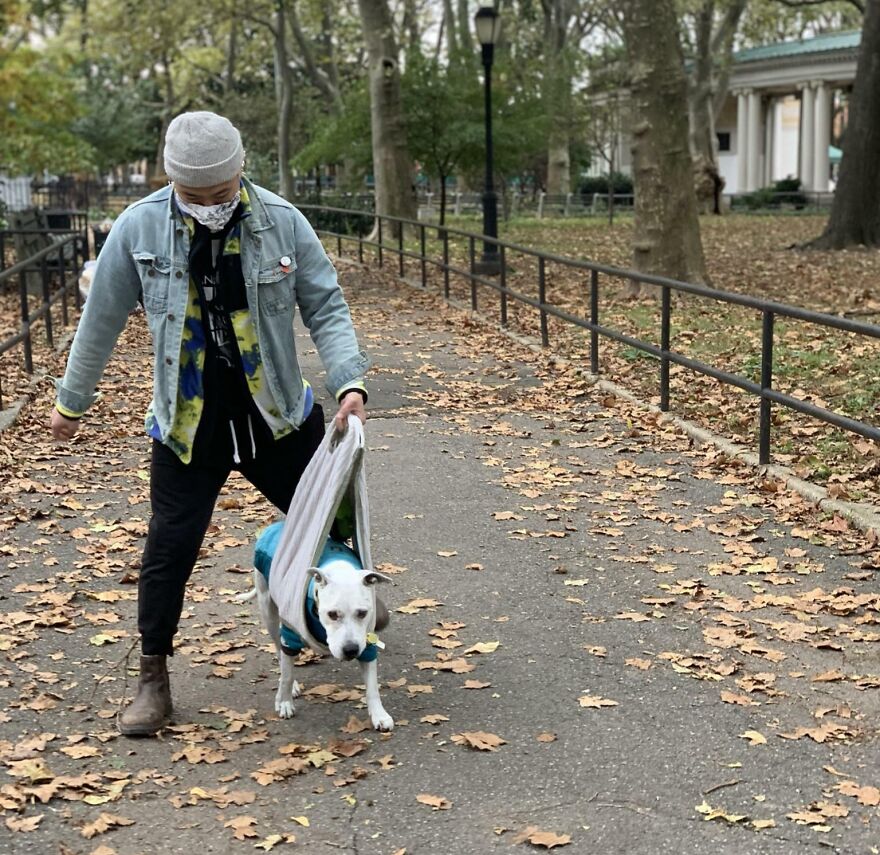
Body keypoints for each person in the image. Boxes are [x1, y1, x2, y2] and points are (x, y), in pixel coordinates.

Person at [50, 111, 370, 736]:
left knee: (333, 525)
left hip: (276, 415)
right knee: (169, 546)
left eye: (220, 194)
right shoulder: (138, 226)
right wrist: (71, 401)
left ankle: (349, 618)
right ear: (170, 180)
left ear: (241, 171)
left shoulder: (282, 221)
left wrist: (348, 381)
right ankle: (152, 677)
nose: (207, 206)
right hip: (187, 424)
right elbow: (101, 320)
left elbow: (325, 303)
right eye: (193, 197)